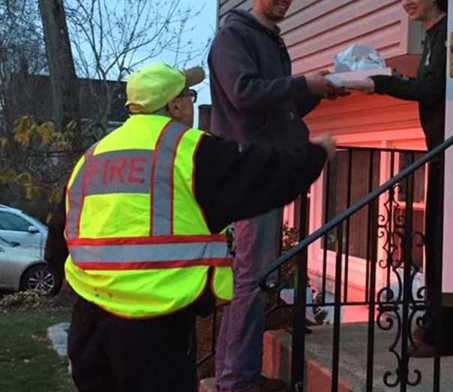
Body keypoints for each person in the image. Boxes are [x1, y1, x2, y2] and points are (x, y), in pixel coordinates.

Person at [46, 61, 333, 392]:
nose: (191, 105)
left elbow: (59, 233)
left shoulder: (92, 157)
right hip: (156, 331)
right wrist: (316, 155)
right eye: (189, 96)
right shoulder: (191, 149)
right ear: (175, 105)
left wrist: (60, 280)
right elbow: (262, 178)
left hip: (90, 327)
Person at [209, 0, 342, 392]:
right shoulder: (233, 36)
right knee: (249, 277)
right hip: (250, 172)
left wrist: (320, 90)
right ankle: (236, 379)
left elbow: (280, 107)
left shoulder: (270, 40)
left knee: (254, 275)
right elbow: (244, 94)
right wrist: (302, 84)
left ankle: (237, 374)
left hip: (272, 169)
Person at [363, 0, 453, 357]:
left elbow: (430, 88)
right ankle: (446, 321)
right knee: (438, 237)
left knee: (447, 241)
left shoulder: (451, 36)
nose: (406, 3)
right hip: (446, 150)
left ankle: (449, 335)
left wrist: (381, 79)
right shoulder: (437, 37)